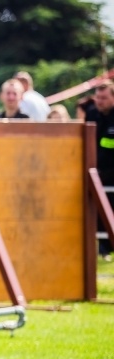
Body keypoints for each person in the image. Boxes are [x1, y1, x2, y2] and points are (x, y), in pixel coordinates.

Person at [85, 81, 114, 259]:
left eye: (104, 98)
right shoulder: (91, 114)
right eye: (98, 97)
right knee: (96, 212)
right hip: (96, 173)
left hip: (112, 174)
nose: (100, 101)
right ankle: (104, 248)